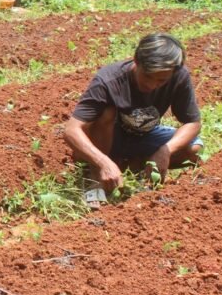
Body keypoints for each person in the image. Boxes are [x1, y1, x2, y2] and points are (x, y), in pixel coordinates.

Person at [63, 33, 202, 208]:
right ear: (136, 60)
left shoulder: (178, 76)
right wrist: (102, 162)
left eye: (161, 80)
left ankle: (134, 165)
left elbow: (193, 123)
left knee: (194, 149)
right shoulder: (108, 80)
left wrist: (165, 151)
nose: (152, 85)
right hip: (108, 138)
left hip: (143, 134)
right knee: (106, 113)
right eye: (147, 76)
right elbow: (71, 130)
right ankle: (96, 178)